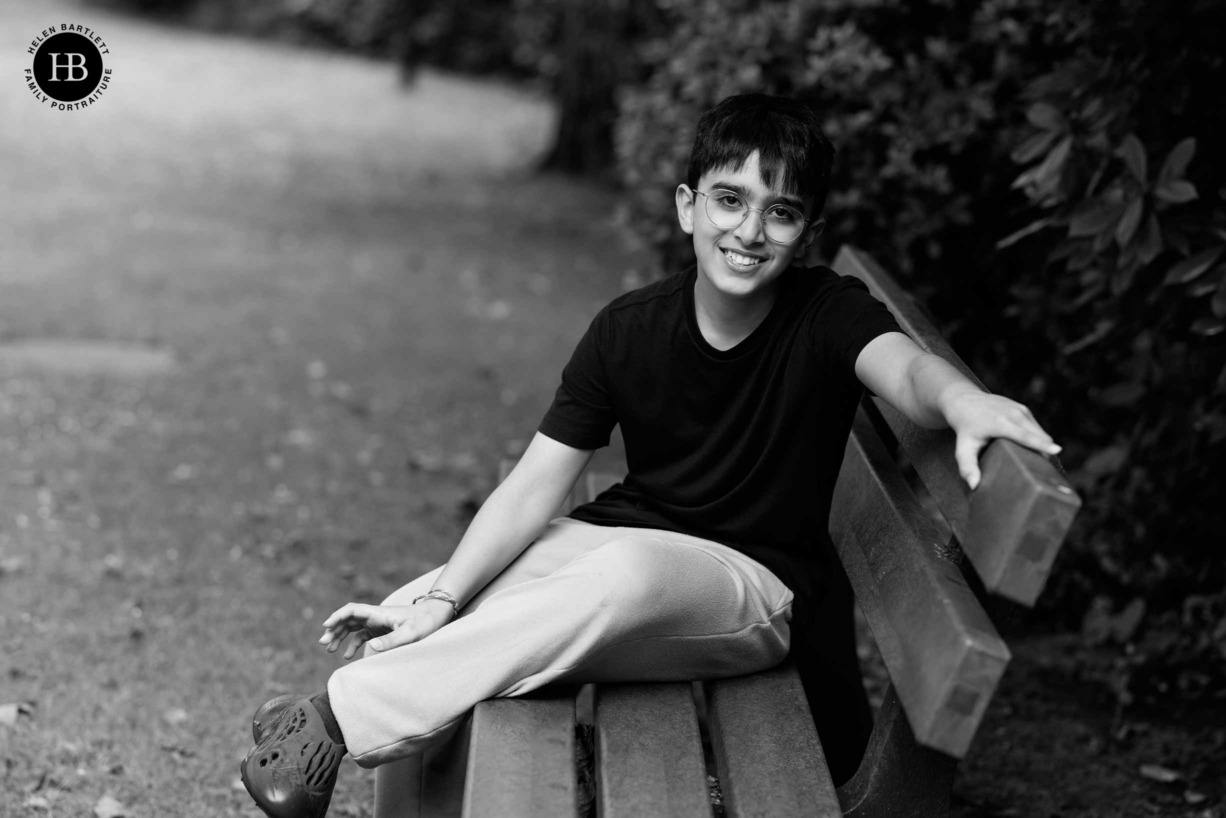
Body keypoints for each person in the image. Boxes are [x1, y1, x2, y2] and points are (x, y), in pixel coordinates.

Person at [239, 93, 1061, 818]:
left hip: (753, 588)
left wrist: (961, 400)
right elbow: (536, 484)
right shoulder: (628, 328)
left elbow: (907, 369)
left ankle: (332, 721)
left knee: (612, 581)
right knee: (447, 597)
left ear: (806, 231)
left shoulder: (827, 315)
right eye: (729, 200)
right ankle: (330, 727)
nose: (748, 230)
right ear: (686, 207)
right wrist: (445, 594)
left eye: (779, 212)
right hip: (627, 543)